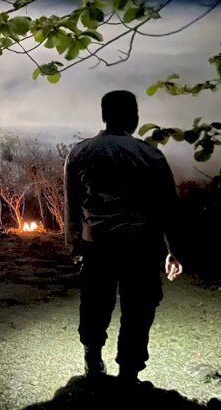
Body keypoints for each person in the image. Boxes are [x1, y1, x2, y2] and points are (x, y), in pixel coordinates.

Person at [64, 90, 183, 386]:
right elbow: (168, 206)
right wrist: (174, 250)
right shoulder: (151, 154)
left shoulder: (80, 151)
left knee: (94, 304)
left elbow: (72, 204)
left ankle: (93, 360)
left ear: (104, 116)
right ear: (135, 117)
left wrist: (74, 245)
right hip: (141, 246)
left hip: (98, 244)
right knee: (139, 310)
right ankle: (128, 374)